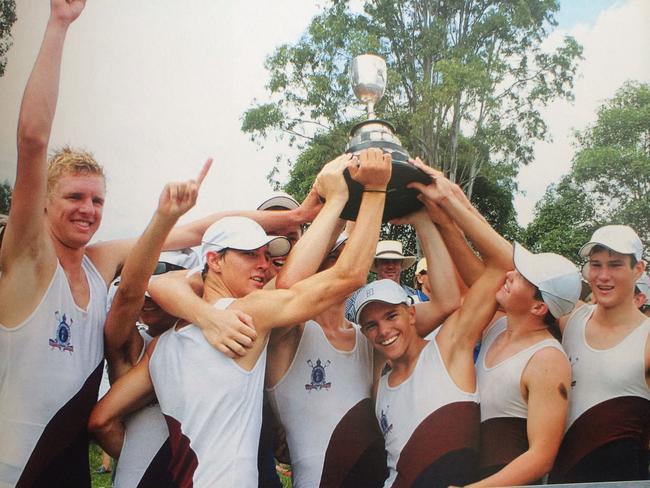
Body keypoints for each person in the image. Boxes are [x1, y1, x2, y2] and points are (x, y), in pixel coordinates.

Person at [90, 149, 392, 487]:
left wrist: (148, 469)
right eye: (250, 255)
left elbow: (101, 420)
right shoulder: (247, 315)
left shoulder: (158, 349)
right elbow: (348, 276)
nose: (264, 265)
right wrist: (370, 192)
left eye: (267, 255)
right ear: (214, 261)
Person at [354, 161, 512, 487]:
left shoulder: (449, 348)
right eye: (370, 325)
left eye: (391, 316)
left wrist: (439, 213)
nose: (383, 331)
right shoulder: (378, 382)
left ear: (412, 313)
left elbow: (503, 268)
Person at [550, 224, 650, 483]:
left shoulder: (647, 337)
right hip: (559, 477)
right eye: (596, 264)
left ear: (638, 269)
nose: (603, 276)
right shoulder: (572, 319)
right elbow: (522, 269)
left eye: (615, 265)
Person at [345, 239, 427, 321]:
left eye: (395, 261)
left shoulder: (415, 296)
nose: (390, 266)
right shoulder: (358, 296)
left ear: (401, 265)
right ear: (377, 264)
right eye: (385, 261)